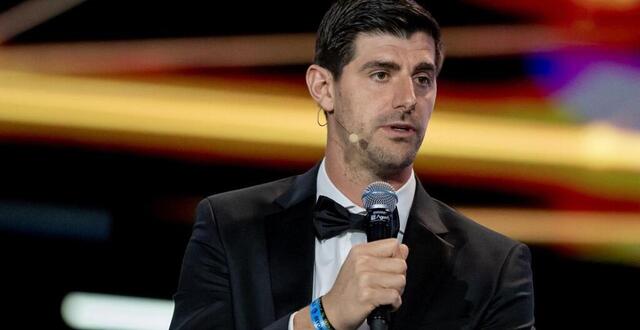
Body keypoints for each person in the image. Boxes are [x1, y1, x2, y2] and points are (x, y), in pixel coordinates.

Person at [169, 0, 535, 329]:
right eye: (381, 74)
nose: (408, 98)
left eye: (423, 79)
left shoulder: (494, 266)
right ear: (323, 88)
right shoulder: (230, 226)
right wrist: (323, 318)